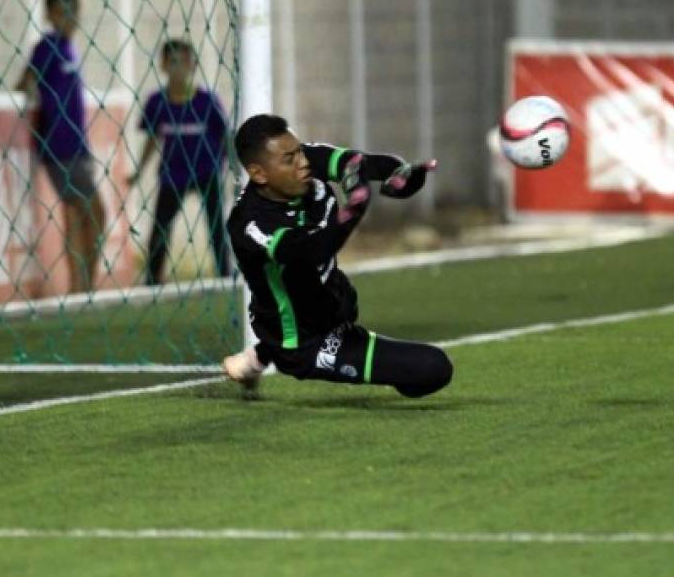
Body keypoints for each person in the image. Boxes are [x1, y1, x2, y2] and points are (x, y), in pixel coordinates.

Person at [220, 114, 451, 399]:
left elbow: (360, 164)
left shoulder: (303, 164)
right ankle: (270, 352)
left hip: (334, 301)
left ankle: (258, 355)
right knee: (434, 368)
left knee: (343, 299)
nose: (303, 162)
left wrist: (402, 173)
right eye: (289, 159)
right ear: (259, 174)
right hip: (302, 342)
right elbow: (311, 252)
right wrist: (353, 211)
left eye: (301, 151)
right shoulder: (250, 225)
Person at [16, 0, 105, 293]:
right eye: (62, 11)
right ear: (50, 15)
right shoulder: (48, 46)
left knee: (76, 214)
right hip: (59, 146)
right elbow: (25, 80)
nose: (70, 17)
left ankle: (80, 287)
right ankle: (85, 287)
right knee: (94, 211)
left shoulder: (69, 48)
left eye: (73, 11)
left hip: (76, 145)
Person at [127, 39, 232, 283]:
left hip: (207, 172)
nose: (179, 68)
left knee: (217, 227)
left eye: (185, 62)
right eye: (173, 61)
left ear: (193, 65)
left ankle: (225, 275)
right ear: (163, 65)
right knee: (160, 229)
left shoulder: (208, 101)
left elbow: (225, 137)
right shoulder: (157, 101)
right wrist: (139, 172)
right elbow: (153, 138)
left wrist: (236, 169)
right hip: (174, 175)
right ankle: (152, 280)